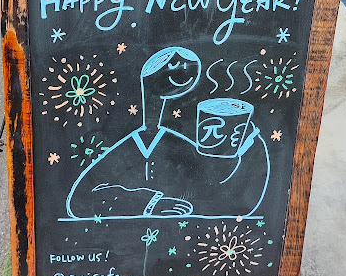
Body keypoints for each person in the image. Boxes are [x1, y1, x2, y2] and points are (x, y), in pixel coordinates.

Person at [65, 47, 270, 221]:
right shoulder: (132, 147)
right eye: (173, 66)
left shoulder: (181, 147)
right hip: (118, 247)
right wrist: (149, 204)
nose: (181, 71)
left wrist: (251, 148)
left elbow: (230, 202)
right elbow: (79, 201)